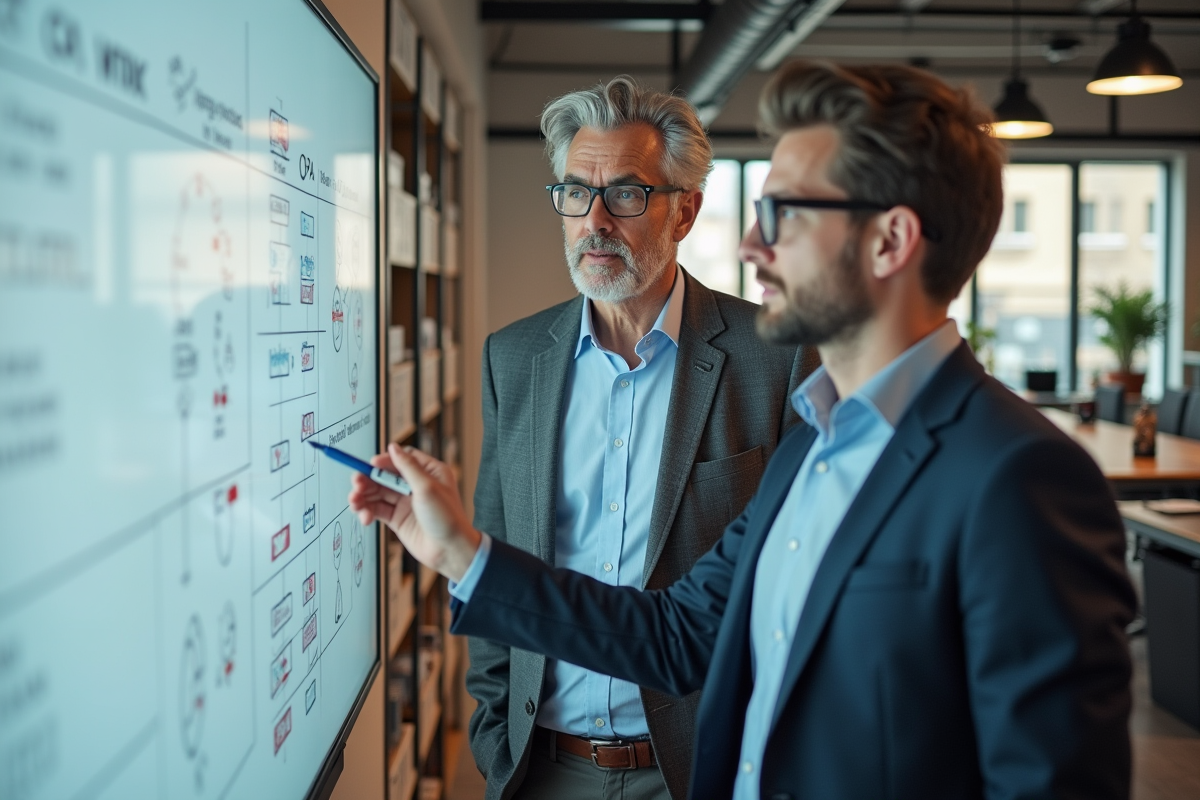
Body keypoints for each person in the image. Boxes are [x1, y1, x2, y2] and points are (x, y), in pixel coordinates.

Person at [351, 61, 1136, 800]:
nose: (754, 247)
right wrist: (460, 551)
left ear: (891, 239)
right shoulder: (816, 445)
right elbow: (675, 634)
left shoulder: (1023, 475)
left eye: (785, 214)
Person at [460, 76, 813, 800]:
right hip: (543, 767)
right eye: (574, 193)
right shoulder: (513, 358)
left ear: (685, 211)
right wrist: (496, 741)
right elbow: (496, 551)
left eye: (625, 194)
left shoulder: (774, 358)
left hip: (701, 769)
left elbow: (794, 583)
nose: (595, 221)